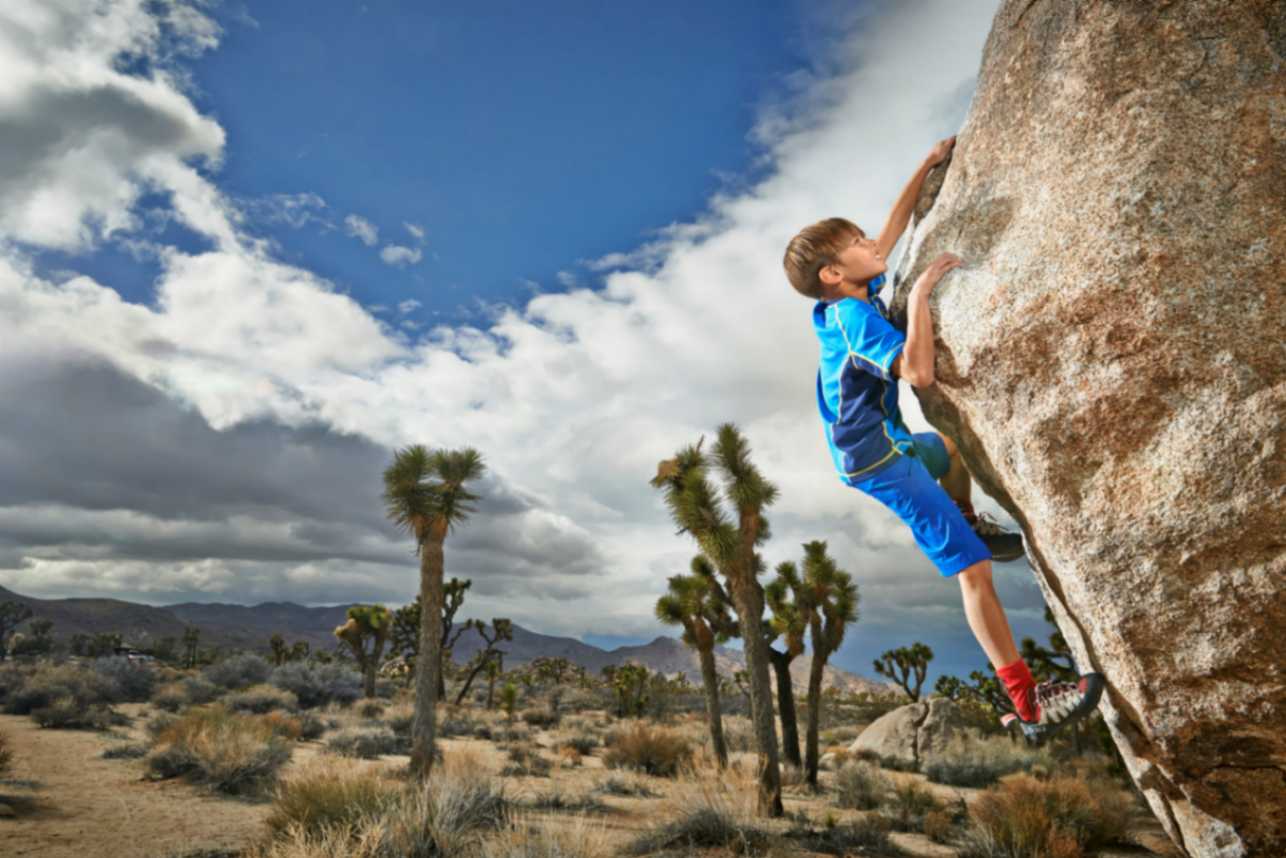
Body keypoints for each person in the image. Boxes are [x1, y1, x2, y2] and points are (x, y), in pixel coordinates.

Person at [781, 135, 1103, 744]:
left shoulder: (843, 294)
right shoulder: (855, 315)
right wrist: (923, 295)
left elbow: (890, 232)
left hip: (889, 441)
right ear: (832, 273)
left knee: (952, 453)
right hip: (880, 463)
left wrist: (925, 166)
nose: (872, 246)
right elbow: (918, 373)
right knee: (973, 572)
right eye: (856, 245)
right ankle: (1028, 702)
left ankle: (966, 517)